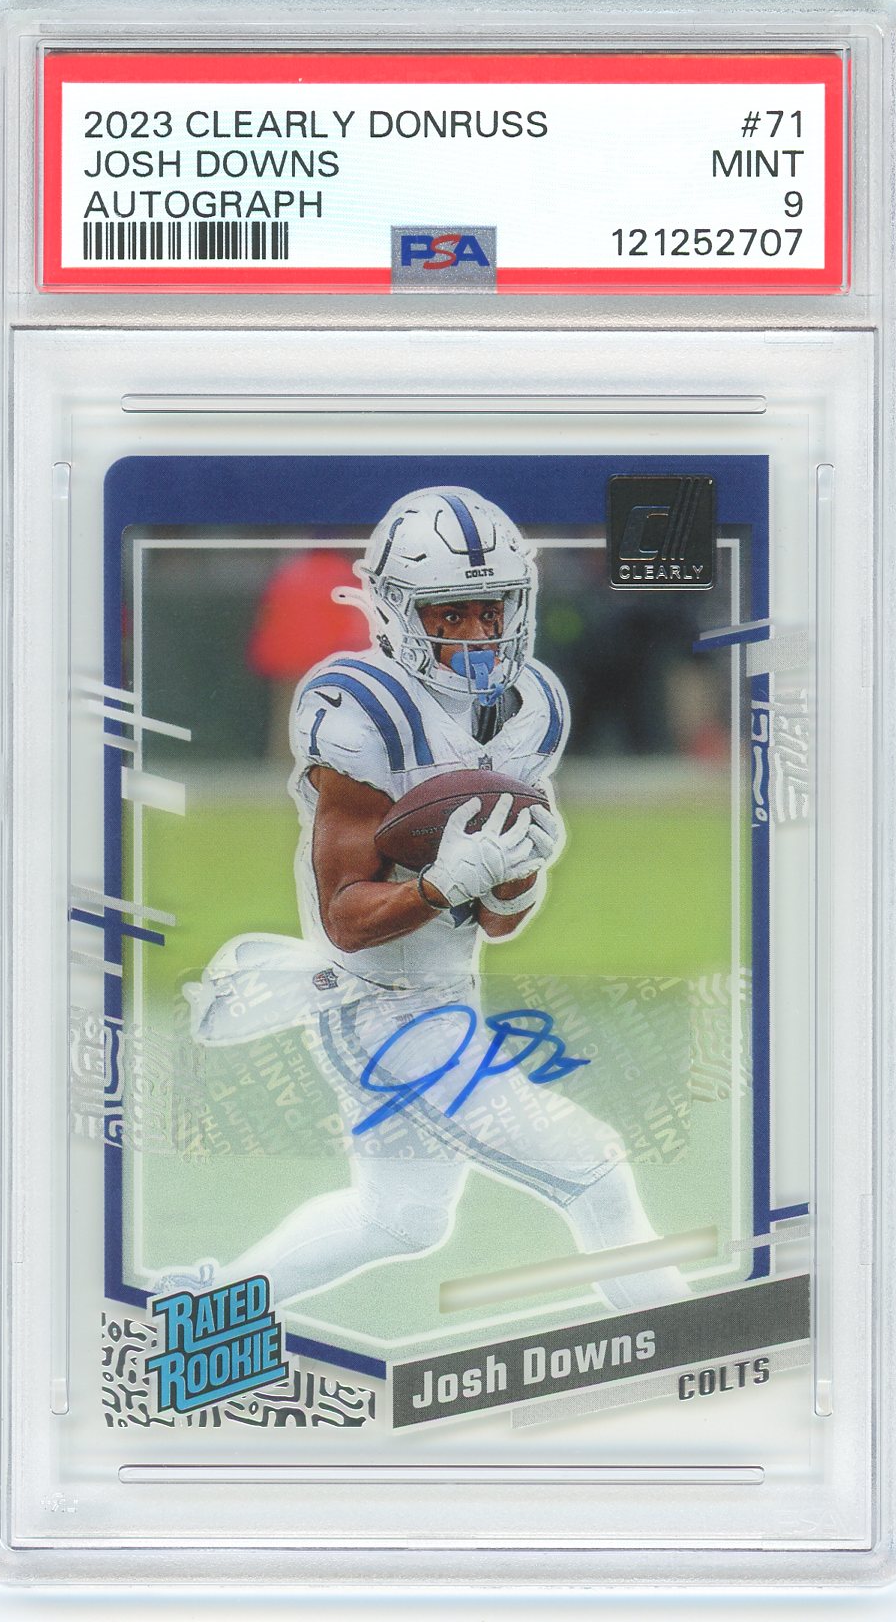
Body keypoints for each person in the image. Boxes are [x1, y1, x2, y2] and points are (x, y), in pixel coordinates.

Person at [162, 488, 686, 1314]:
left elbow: (500, 921)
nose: (479, 633)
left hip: (448, 993)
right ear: (397, 610)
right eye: (452, 612)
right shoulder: (361, 710)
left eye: (492, 608)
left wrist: (518, 869)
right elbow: (345, 917)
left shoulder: (532, 705)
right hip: (375, 1007)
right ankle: (677, 1337)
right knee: (591, 1164)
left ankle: (202, 1309)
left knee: (400, 1220)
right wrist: (442, 883)